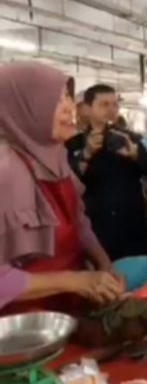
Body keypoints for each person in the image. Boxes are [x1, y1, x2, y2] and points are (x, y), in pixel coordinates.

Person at [0, 63, 124, 311]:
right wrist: (75, 281)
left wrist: (104, 264)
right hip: (27, 322)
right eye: (56, 101)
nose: (69, 107)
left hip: (68, 309)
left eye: (67, 96)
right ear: (25, 109)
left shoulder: (54, 158)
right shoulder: (7, 173)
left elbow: (77, 221)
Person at [67, 84, 147, 262]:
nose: (111, 110)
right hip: (97, 231)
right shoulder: (75, 144)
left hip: (132, 228)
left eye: (114, 104)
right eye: (104, 104)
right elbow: (69, 184)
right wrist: (86, 154)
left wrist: (136, 155)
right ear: (88, 108)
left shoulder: (129, 139)